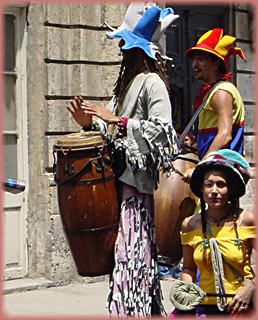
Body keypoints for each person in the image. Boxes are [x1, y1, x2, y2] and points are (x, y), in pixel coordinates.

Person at [66, 3, 180, 317]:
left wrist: (119, 122)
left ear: (135, 48)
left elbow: (164, 133)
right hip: (116, 188)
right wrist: (89, 122)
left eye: (124, 43)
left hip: (136, 194)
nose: (119, 48)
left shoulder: (152, 83)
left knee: (133, 264)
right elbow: (110, 128)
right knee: (125, 264)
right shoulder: (127, 86)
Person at [174, 149, 256, 317]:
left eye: (221, 184)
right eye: (208, 184)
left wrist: (251, 287)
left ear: (231, 189)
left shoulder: (247, 220)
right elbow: (189, 269)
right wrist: (187, 294)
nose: (214, 191)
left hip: (241, 307)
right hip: (203, 307)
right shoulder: (190, 224)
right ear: (201, 188)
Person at [182, 28, 246, 182]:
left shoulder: (221, 92)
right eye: (194, 59)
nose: (195, 64)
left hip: (220, 175)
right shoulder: (215, 91)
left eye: (201, 59)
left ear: (216, 63)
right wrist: (197, 144)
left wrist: (201, 167)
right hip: (216, 170)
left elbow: (225, 135)